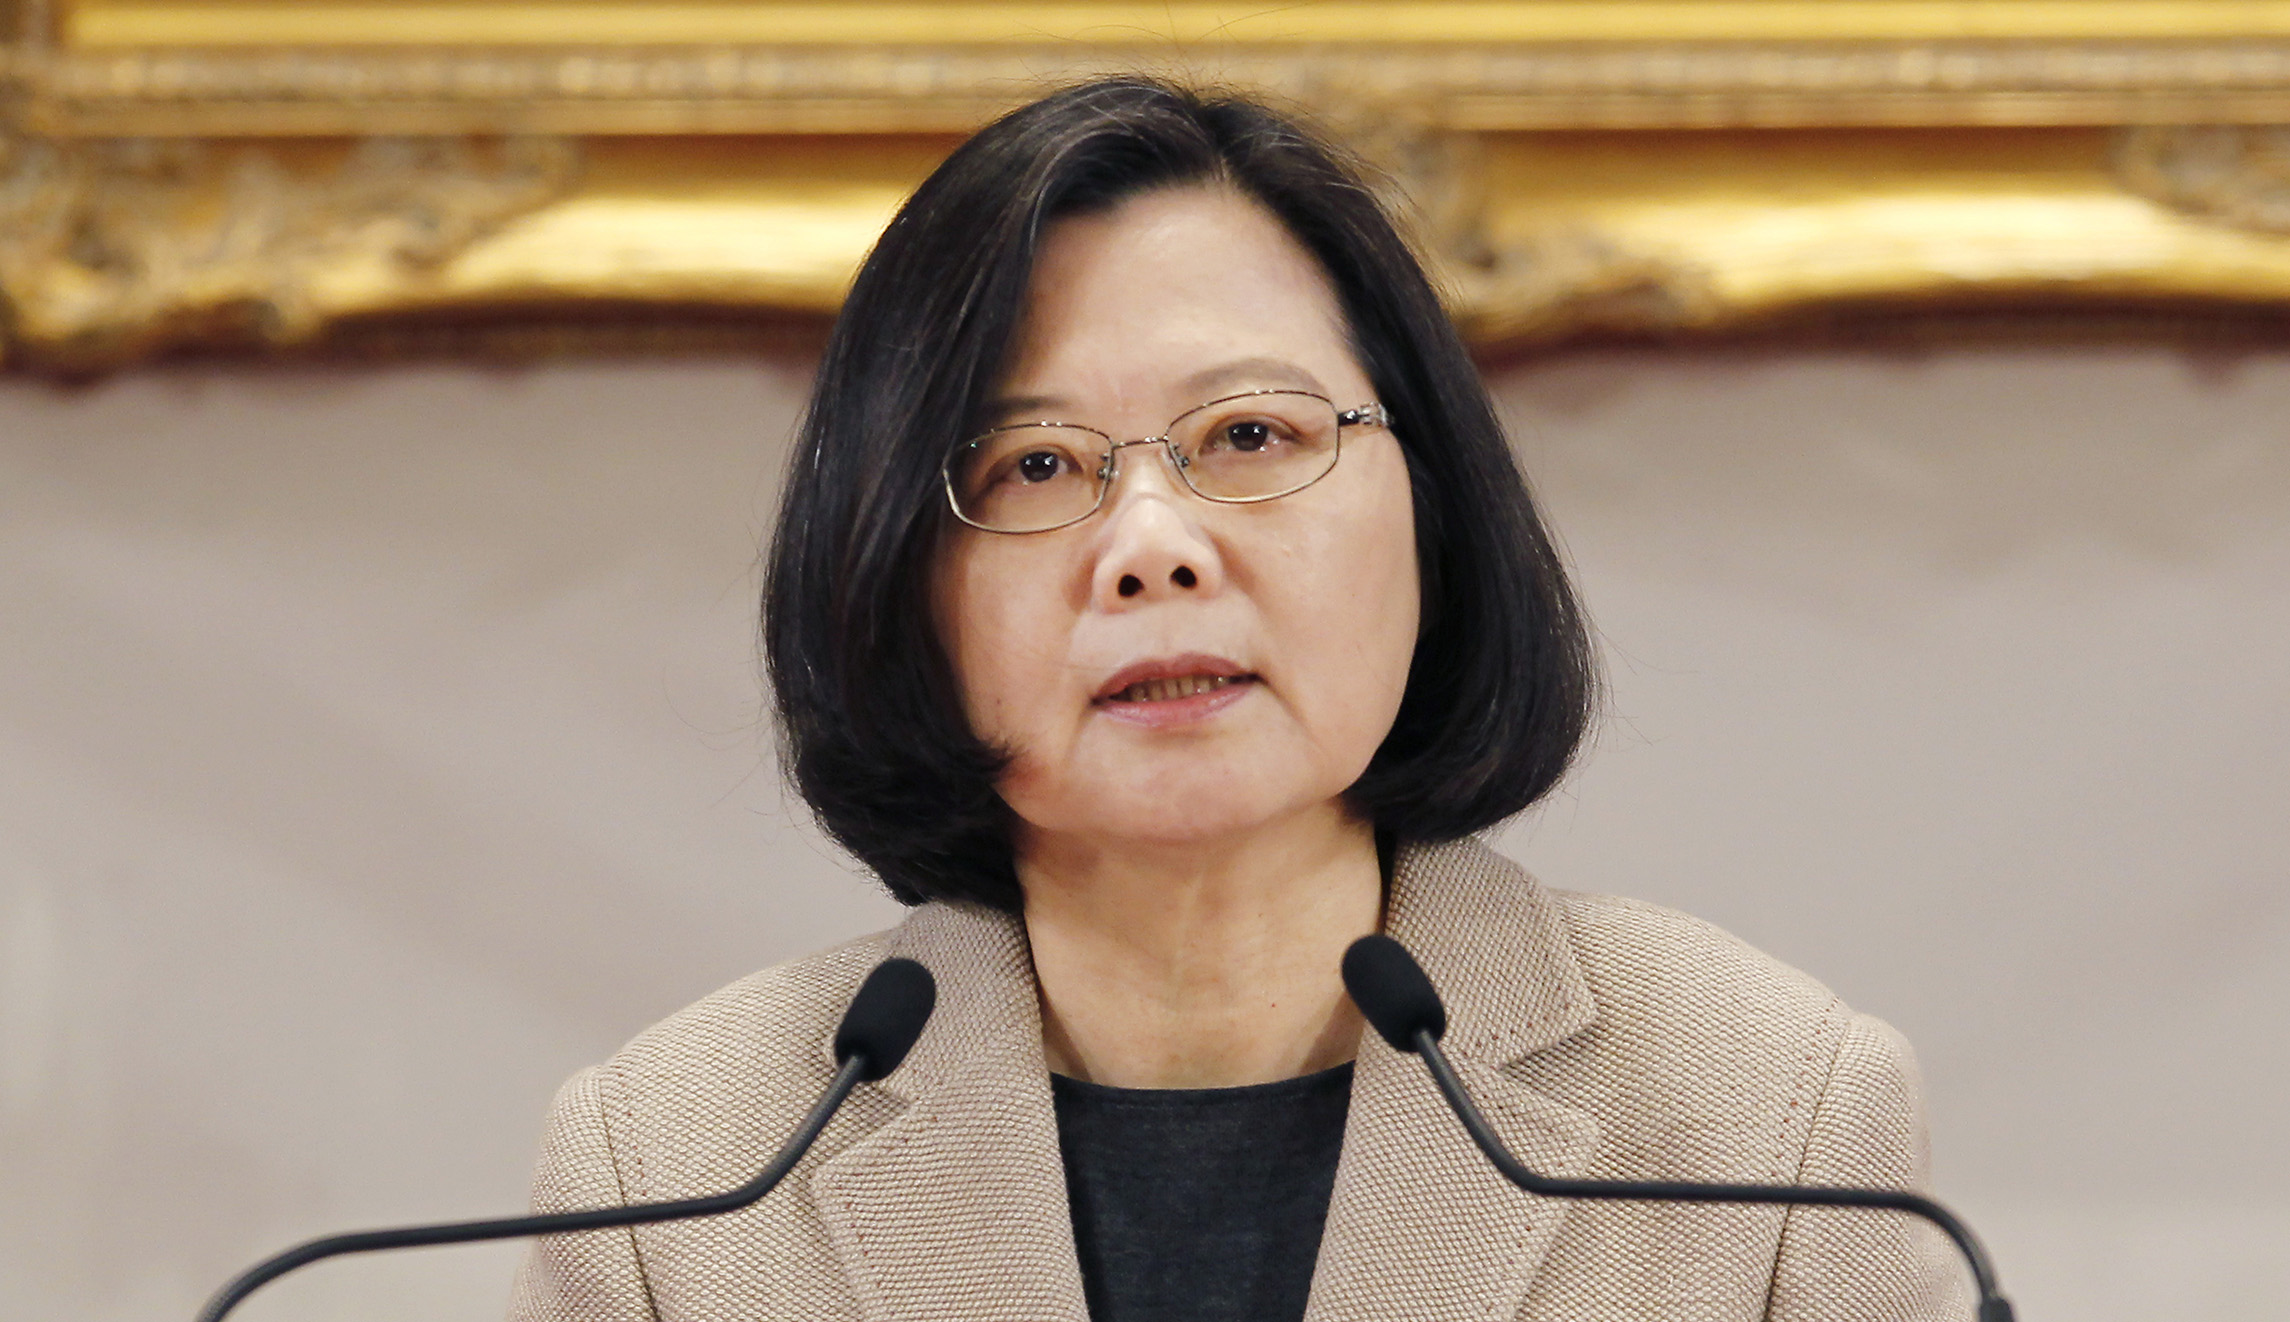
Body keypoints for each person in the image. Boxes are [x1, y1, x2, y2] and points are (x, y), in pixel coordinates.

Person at [509, 78, 1967, 1322]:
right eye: (1033, 466)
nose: (1151, 546)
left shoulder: (1769, 1121)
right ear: (896, 574)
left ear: (1432, 509)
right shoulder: (674, 1183)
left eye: (1252, 432)